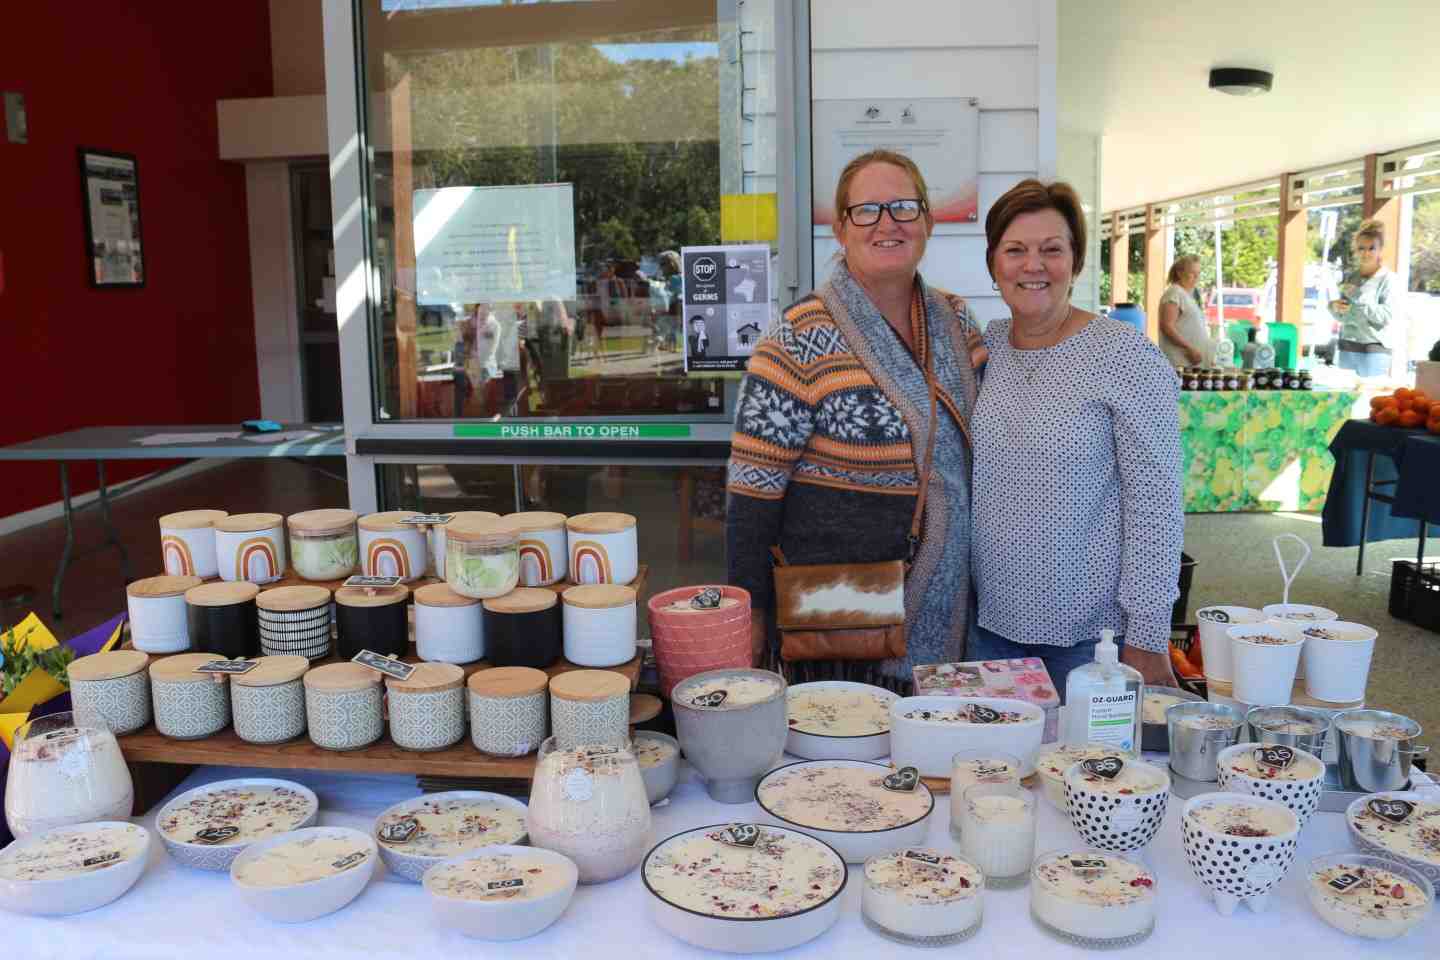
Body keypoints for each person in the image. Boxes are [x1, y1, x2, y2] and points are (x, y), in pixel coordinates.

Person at [726, 149, 979, 691]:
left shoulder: (957, 322)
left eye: (904, 208)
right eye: (867, 210)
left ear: (928, 222)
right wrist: (748, 613)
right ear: (841, 229)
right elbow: (752, 494)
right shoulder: (796, 336)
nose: (887, 223)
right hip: (837, 618)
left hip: (951, 603)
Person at [969, 179, 1183, 695]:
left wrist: (1148, 636)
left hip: (1092, 641)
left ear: (1077, 261)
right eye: (1015, 250)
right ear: (994, 263)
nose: (1033, 265)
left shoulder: (1125, 356)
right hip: (988, 628)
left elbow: (1156, 506)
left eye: (1052, 250)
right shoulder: (986, 346)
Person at [1333, 219, 1399, 378]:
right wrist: (1334, 308)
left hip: (1374, 350)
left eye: (1372, 248)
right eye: (1361, 248)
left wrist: (1358, 297)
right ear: (1355, 250)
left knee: (1369, 400)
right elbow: (1344, 316)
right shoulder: (1352, 277)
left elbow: (1386, 316)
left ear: (1380, 250)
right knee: (1346, 399)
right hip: (1347, 347)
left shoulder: (1389, 279)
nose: (1366, 252)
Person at [1157, 254, 1209, 367]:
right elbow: (1167, 326)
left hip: (1192, 363)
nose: (1196, 277)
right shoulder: (1174, 293)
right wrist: (1189, 348)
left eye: (1198, 273)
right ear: (1179, 273)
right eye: (1192, 273)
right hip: (1180, 362)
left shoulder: (1188, 295)